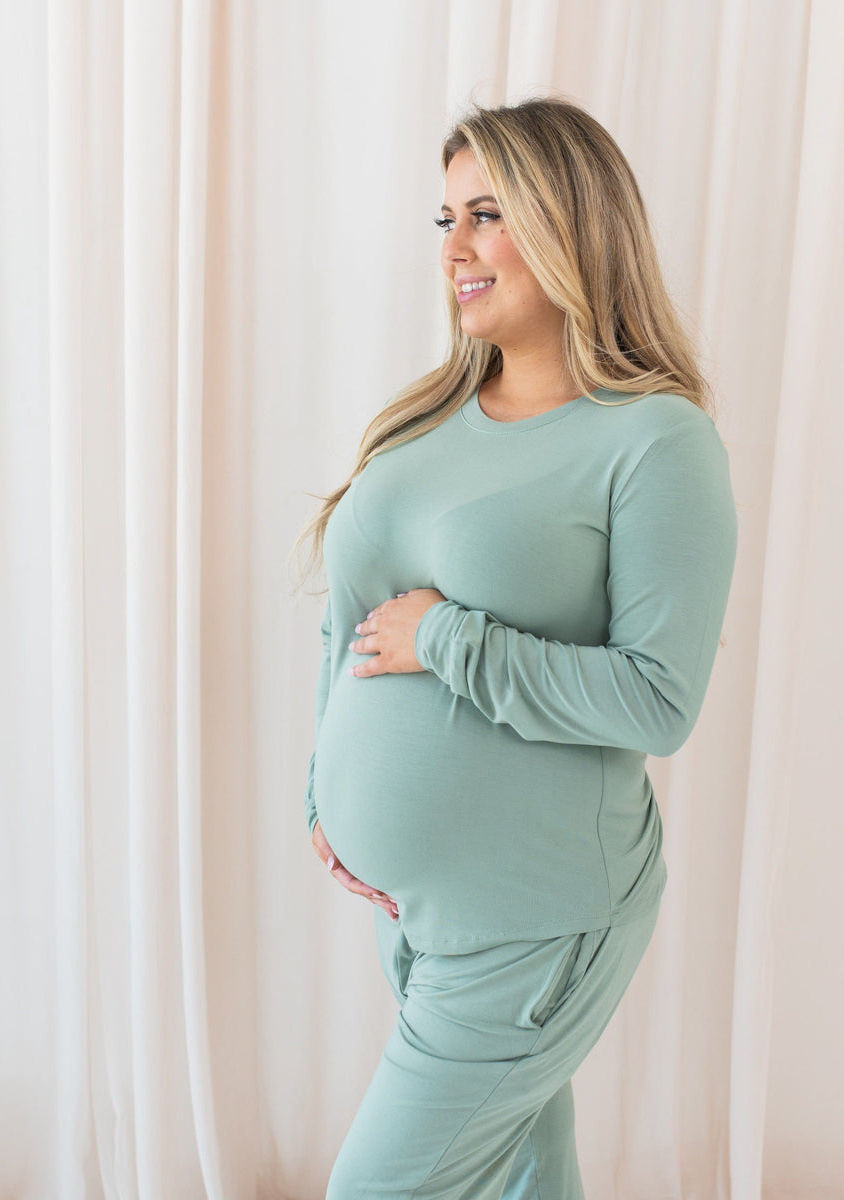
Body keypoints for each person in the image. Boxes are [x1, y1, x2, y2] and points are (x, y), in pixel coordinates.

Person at [291, 95, 738, 1200]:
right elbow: (349, 625)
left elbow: (659, 700)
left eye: (487, 215)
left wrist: (451, 640)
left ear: (572, 222)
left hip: (537, 919)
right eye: (445, 219)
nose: (455, 248)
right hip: (420, 913)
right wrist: (322, 794)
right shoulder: (422, 422)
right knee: (520, 1181)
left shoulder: (656, 441)